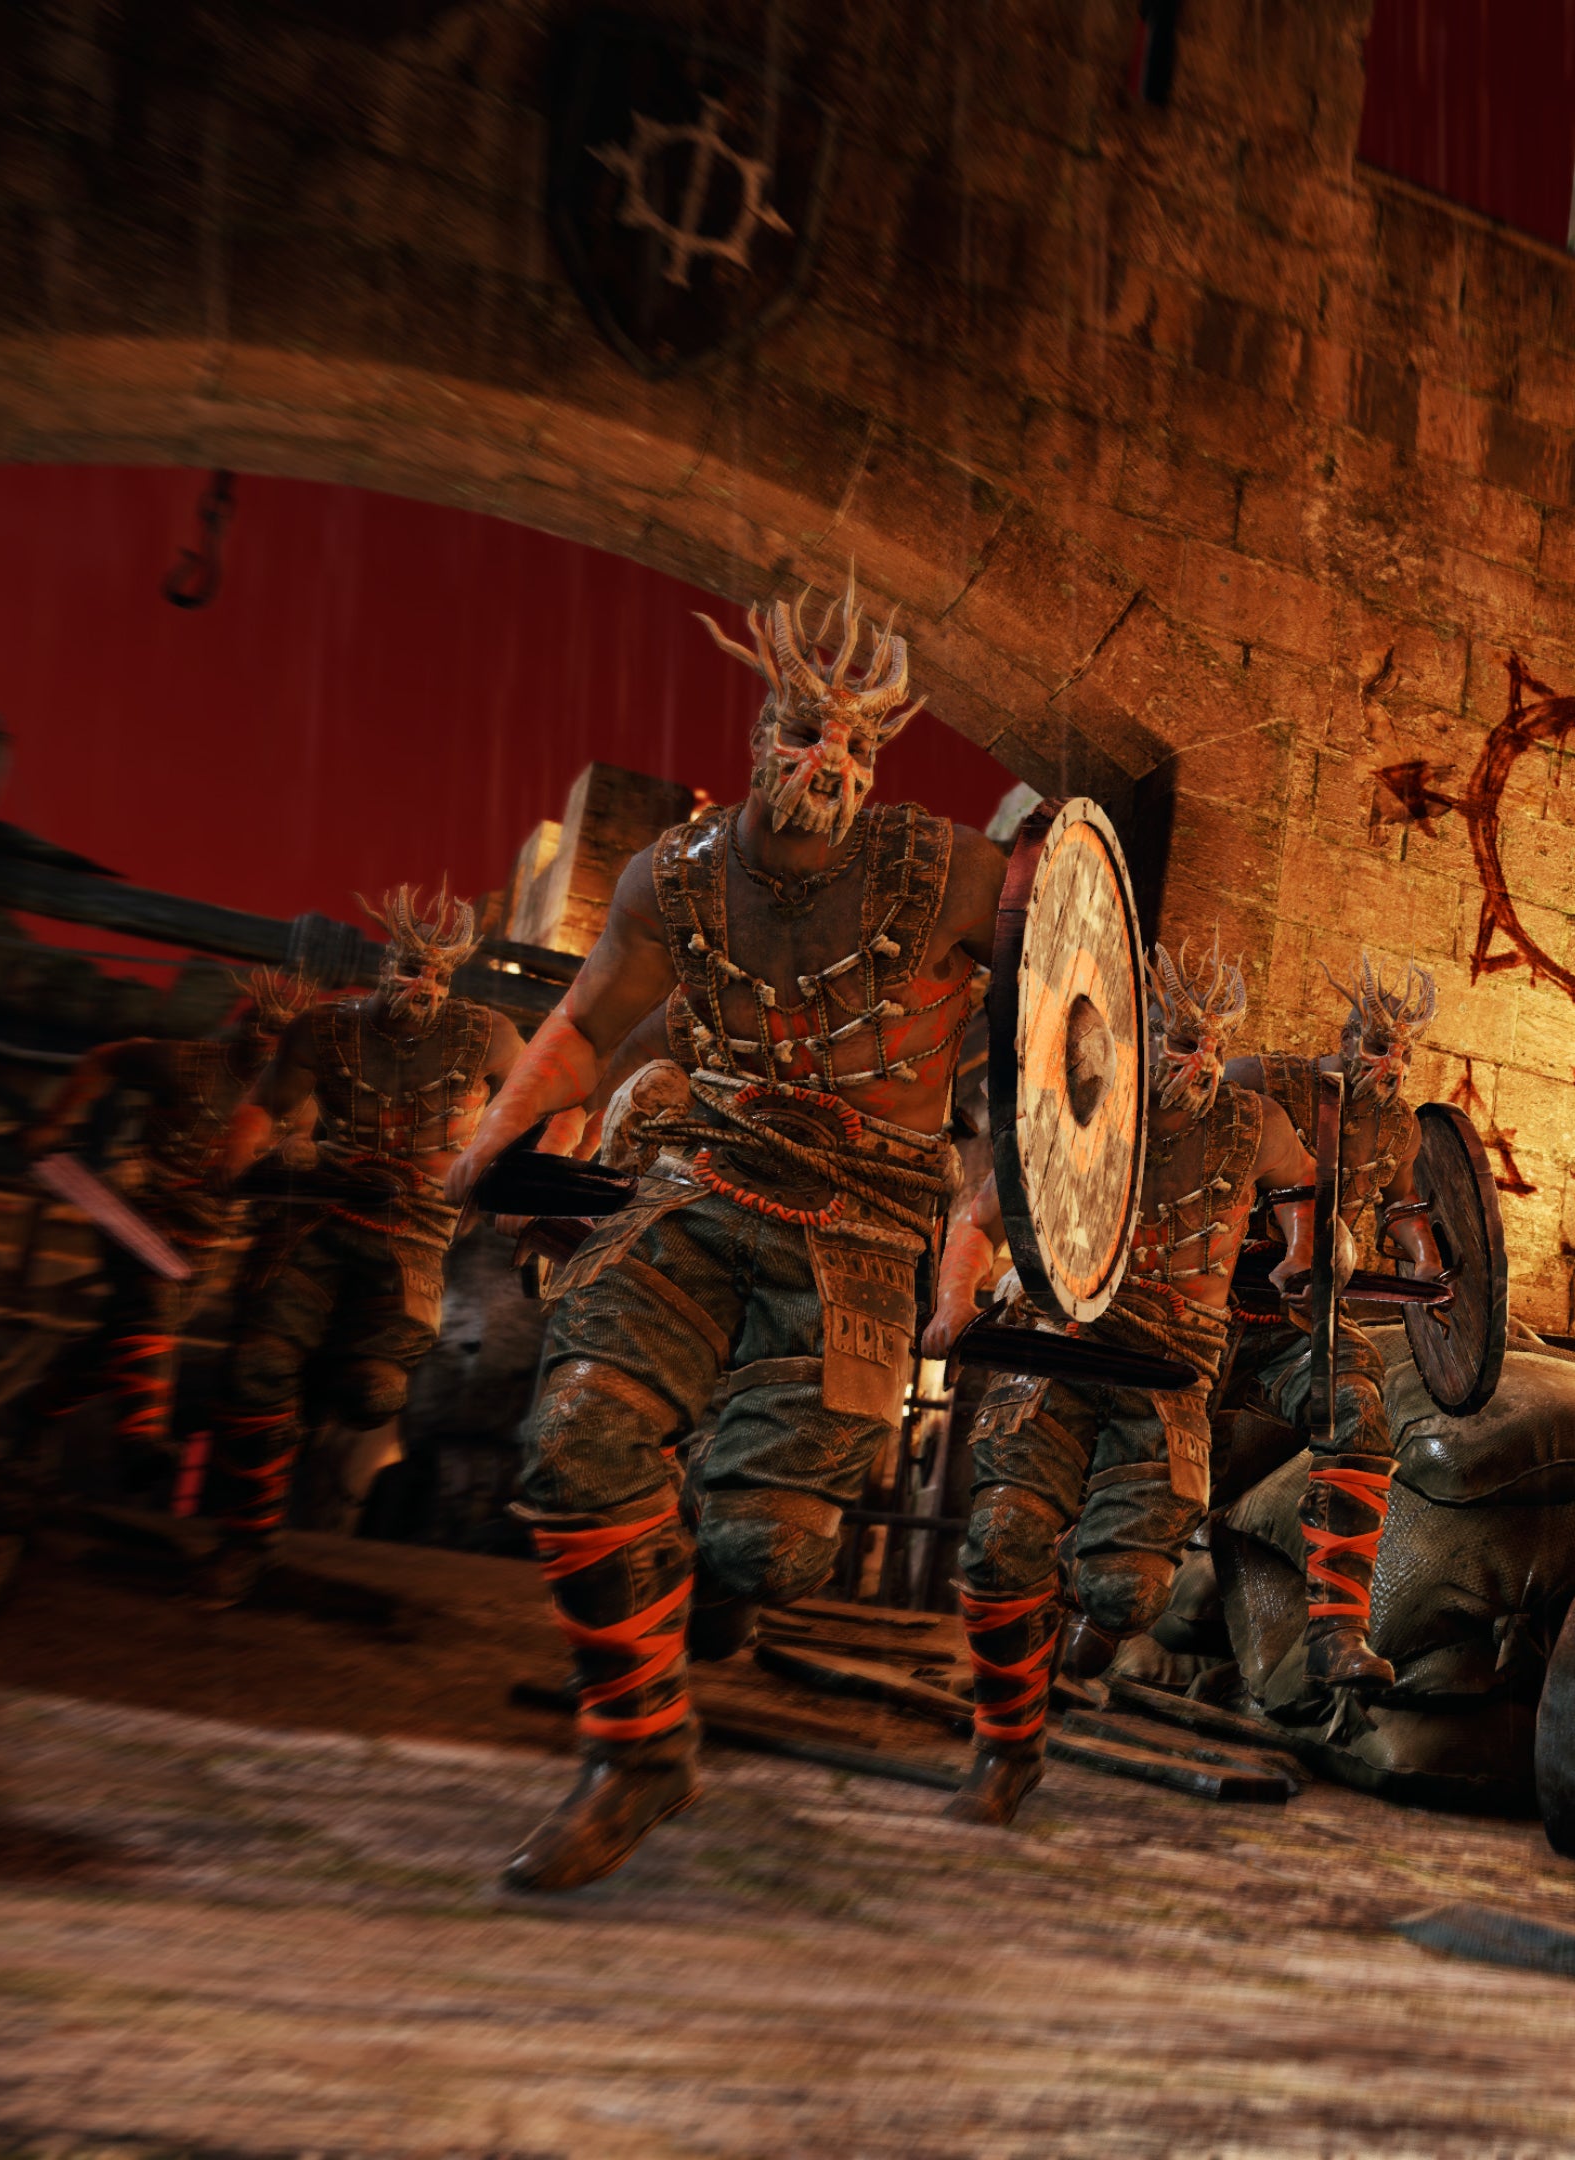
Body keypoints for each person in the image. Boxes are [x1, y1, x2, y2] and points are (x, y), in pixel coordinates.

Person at [447, 580, 1002, 1894]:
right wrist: (493, 1140)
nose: (832, 763)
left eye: (859, 747)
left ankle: (711, 1538)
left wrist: (1020, 1222)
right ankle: (638, 1752)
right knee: (574, 1436)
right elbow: (586, 1025)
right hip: (703, 1179)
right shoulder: (674, 879)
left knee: (772, 1549)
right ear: (759, 737)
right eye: (807, 733)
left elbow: (1069, 1036)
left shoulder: (955, 874)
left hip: (864, 1225)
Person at [930, 936, 1315, 1826]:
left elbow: (1303, 1185)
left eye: (1214, 1043)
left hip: (1171, 1370)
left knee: (1129, 1589)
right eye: (1182, 1041)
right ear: (1146, 1035)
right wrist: (954, 1302)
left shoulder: (1254, 1125)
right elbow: (978, 1220)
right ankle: (1004, 1748)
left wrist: (1303, 1251)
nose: (1201, 1061)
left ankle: (1083, 1616)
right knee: (1000, 1539)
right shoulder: (1081, 1105)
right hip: (1060, 1344)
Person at [197, 892, 522, 1604]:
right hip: (319, 1212)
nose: (424, 986)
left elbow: (536, 1111)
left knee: (373, 1394)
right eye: (411, 968)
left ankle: (301, 1409)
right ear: (384, 965)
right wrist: (238, 1148)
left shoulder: (489, 1035)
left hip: (415, 1230)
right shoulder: (323, 1030)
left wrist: (524, 1191)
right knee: (257, 1369)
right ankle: (245, 1539)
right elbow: (266, 1104)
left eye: (439, 976)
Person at [1214, 957, 1444, 1711]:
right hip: (1201, 1308)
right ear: (1346, 1039)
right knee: (1161, 1467)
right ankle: (1074, 1598)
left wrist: (1429, 1268)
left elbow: (1404, 1209)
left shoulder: (1397, 1126)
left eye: (1404, 1052)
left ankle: (1337, 1632)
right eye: (1378, 1047)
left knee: (1357, 1405)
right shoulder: (1261, 1082)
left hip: (1297, 1322)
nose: (1392, 1065)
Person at [13, 968, 319, 1494]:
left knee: (125, 1341)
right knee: (154, 1308)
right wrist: (55, 1122)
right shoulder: (184, 1062)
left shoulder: (300, 1105)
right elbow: (106, 1058)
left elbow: (294, 1168)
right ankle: (140, 1439)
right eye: (266, 1029)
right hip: (138, 1206)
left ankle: (37, 1412)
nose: (271, 1045)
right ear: (246, 1026)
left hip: (207, 1237)